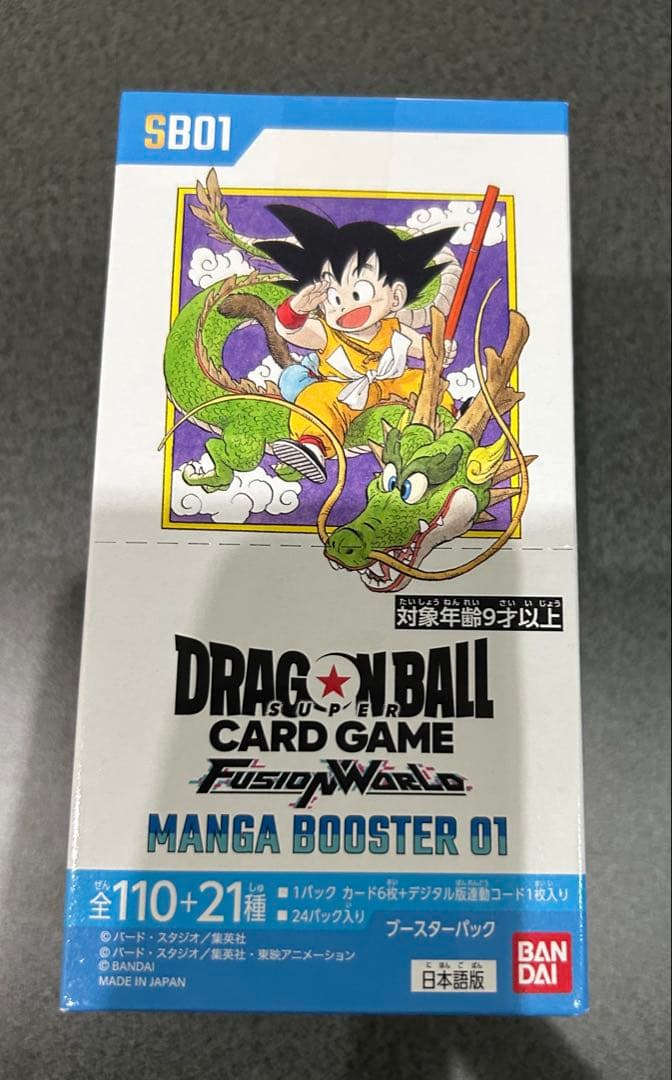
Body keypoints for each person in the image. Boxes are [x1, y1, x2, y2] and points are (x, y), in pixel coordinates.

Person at [257, 205, 459, 482]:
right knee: (315, 398)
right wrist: (296, 309)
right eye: (334, 298)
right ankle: (313, 447)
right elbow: (291, 331)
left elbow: (425, 350)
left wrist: (440, 352)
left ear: (396, 297)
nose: (345, 306)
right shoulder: (326, 332)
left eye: (358, 293)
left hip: (391, 385)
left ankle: (450, 418)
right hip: (342, 391)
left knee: (425, 382)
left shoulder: (394, 328)